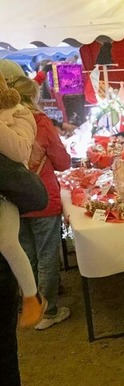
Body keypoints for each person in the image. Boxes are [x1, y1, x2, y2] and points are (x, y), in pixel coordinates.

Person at [10, 76, 72, 330]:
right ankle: (49, 312)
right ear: (32, 96)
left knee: (26, 255)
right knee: (47, 255)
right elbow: (63, 162)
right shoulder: (39, 123)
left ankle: (32, 306)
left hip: (14, 198)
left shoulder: (5, 123)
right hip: (42, 196)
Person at [0, 71, 48, 328]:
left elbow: (19, 152)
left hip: (7, 189)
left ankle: (32, 296)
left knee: (8, 243)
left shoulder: (20, 114)